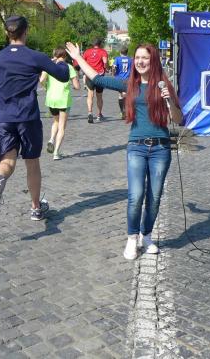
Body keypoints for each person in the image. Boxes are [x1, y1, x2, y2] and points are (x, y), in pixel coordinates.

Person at [66, 41, 182, 260]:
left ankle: (146, 236)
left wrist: (169, 101)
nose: (140, 61)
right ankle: (131, 238)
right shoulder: (130, 85)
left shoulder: (163, 85)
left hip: (161, 148)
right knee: (136, 195)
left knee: (154, 197)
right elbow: (98, 78)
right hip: (137, 147)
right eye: (137, 57)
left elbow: (178, 119)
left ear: (153, 60)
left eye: (145, 58)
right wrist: (78, 58)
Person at [0, 16, 70, 221]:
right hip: (28, 117)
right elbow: (62, 75)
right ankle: (36, 208)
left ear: (7, 33)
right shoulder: (35, 56)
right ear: (26, 31)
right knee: (32, 163)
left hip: (4, 118)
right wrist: (61, 63)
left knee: (7, 161)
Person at [40, 46, 80, 160]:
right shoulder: (69, 67)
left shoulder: (49, 66)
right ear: (65, 56)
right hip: (63, 99)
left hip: (51, 99)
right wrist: (75, 84)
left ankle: (51, 139)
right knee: (62, 126)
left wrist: (45, 87)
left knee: (56, 121)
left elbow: (41, 80)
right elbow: (77, 86)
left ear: (55, 55)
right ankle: (56, 153)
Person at [82, 39, 108, 123]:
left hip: (90, 75)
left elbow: (83, 62)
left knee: (90, 95)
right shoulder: (103, 51)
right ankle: (99, 114)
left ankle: (90, 112)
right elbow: (105, 61)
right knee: (99, 96)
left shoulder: (87, 51)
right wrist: (106, 67)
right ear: (100, 44)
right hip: (99, 76)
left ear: (93, 44)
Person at [113, 46, 132, 119]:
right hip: (128, 79)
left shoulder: (117, 59)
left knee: (120, 95)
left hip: (119, 79)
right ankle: (127, 110)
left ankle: (122, 111)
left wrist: (114, 74)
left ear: (120, 52)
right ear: (127, 52)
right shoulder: (131, 59)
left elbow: (114, 67)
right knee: (127, 95)